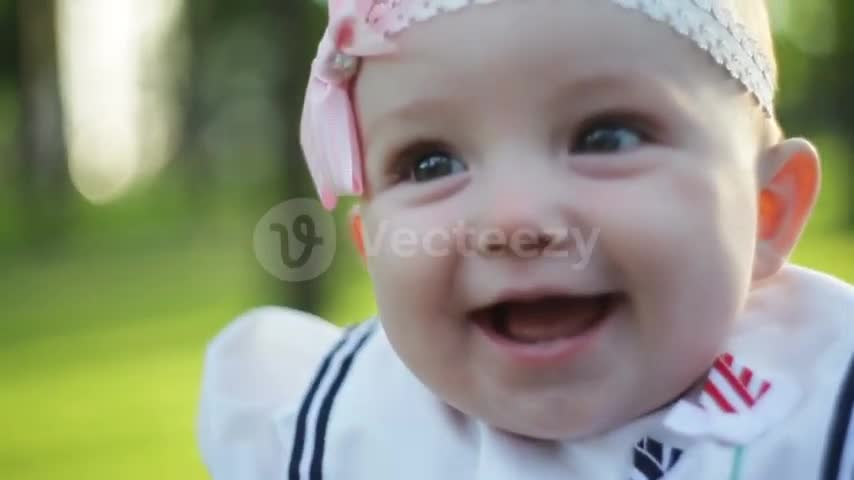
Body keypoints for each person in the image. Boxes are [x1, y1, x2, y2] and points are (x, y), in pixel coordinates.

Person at [197, 1, 854, 478]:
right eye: (431, 163)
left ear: (768, 210)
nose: (513, 222)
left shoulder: (826, 409)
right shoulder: (337, 426)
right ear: (373, 247)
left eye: (606, 138)